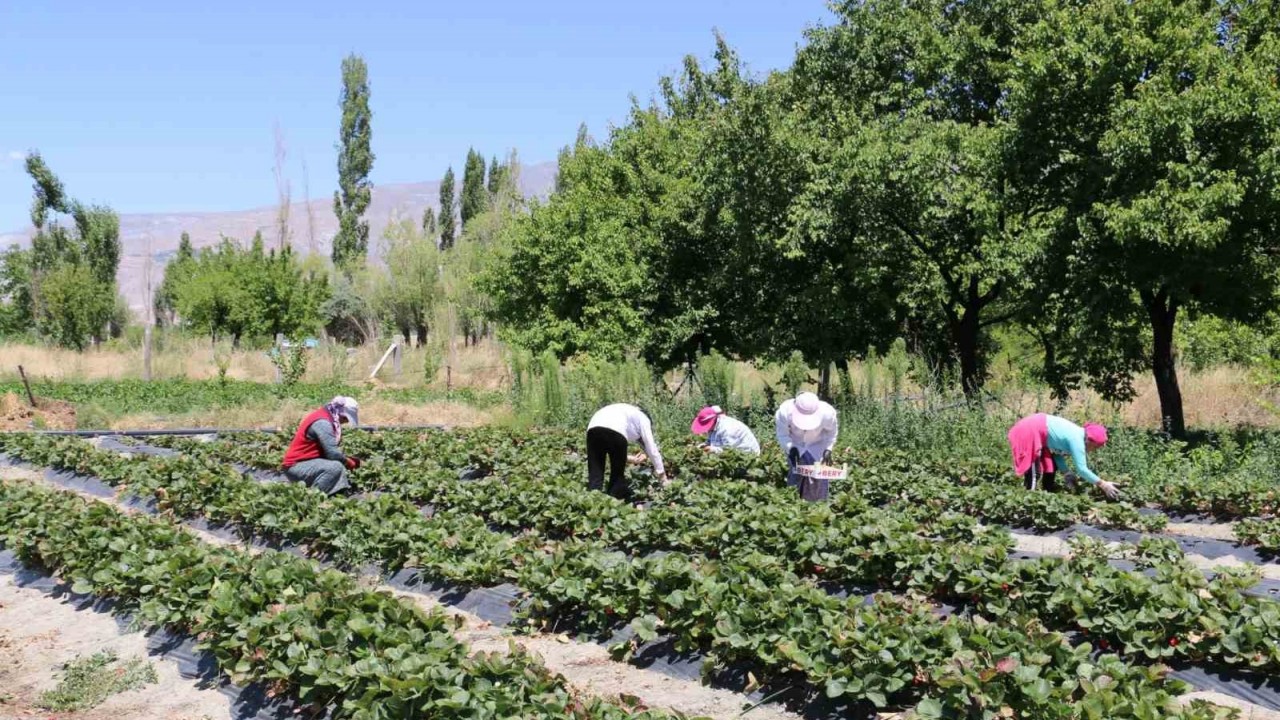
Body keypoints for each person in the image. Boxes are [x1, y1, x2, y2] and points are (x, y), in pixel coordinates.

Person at [1007, 413, 1119, 499]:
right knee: (1034, 472)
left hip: (1037, 429)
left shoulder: (1078, 434)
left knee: (1050, 465)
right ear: (1091, 441)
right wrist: (1103, 484)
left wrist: (1066, 472)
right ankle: (1028, 500)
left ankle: (1045, 493)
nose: (1093, 450)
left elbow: (1056, 453)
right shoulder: (1077, 440)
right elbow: (1082, 469)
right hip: (1030, 430)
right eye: (1096, 447)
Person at [281, 396, 362, 496]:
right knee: (335, 468)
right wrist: (349, 462)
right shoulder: (323, 422)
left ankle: (328, 495)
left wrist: (347, 459)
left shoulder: (327, 416)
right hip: (296, 466)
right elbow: (332, 454)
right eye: (346, 417)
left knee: (337, 466)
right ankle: (312, 499)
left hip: (307, 462)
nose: (346, 421)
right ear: (339, 412)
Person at [586, 403, 666, 500]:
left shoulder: (624, 411)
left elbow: (611, 448)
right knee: (617, 475)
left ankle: (592, 503)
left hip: (593, 429)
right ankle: (613, 501)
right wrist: (662, 474)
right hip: (615, 431)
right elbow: (650, 446)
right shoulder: (643, 418)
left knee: (595, 472)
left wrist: (631, 458)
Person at [775, 391, 839, 495]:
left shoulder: (827, 414)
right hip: (795, 444)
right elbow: (782, 435)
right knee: (795, 473)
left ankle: (818, 504)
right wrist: (791, 448)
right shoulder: (784, 412)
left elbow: (832, 433)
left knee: (818, 477)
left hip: (817, 445)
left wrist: (828, 448)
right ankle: (793, 500)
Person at [691, 405, 761, 454]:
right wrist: (701, 446)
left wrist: (712, 449)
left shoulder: (727, 429)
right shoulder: (713, 426)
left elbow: (729, 451)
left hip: (747, 455)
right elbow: (710, 442)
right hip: (732, 451)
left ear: (712, 420)